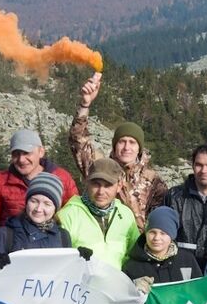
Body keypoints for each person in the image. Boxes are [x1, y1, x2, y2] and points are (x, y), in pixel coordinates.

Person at [69, 73, 167, 231]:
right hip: (100, 239)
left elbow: (160, 218)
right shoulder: (99, 167)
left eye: (132, 142)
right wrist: (85, 105)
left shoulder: (153, 180)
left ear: (139, 148)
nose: (127, 147)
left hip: (136, 245)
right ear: (114, 145)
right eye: (122, 141)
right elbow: (77, 140)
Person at [0, 129, 78, 259]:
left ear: (41, 152)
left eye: (27, 153)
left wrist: (77, 255)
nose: (21, 159)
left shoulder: (63, 178)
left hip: (51, 250)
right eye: (16, 154)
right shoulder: (0, 181)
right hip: (11, 252)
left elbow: (75, 218)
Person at [120, 207, 202, 304]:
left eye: (163, 233)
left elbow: (200, 293)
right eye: (152, 232)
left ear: (172, 234)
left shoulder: (187, 260)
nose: (157, 238)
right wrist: (133, 288)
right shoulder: (132, 265)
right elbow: (122, 302)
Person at [57, 158, 140, 270]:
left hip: (116, 284)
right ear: (87, 182)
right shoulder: (68, 214)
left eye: (108, 185)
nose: (101, 191)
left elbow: (135, 255)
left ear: (119, 186)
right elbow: (59, 260)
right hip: (80, 284)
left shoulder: (126, 215)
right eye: (96, 184)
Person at [0, 172, 72, 257]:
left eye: (47, 204)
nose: (38, 209)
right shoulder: (6, 235)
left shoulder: (63, 237)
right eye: (34, 201)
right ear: (26, 202)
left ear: (55, 208)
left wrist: (80, 259)